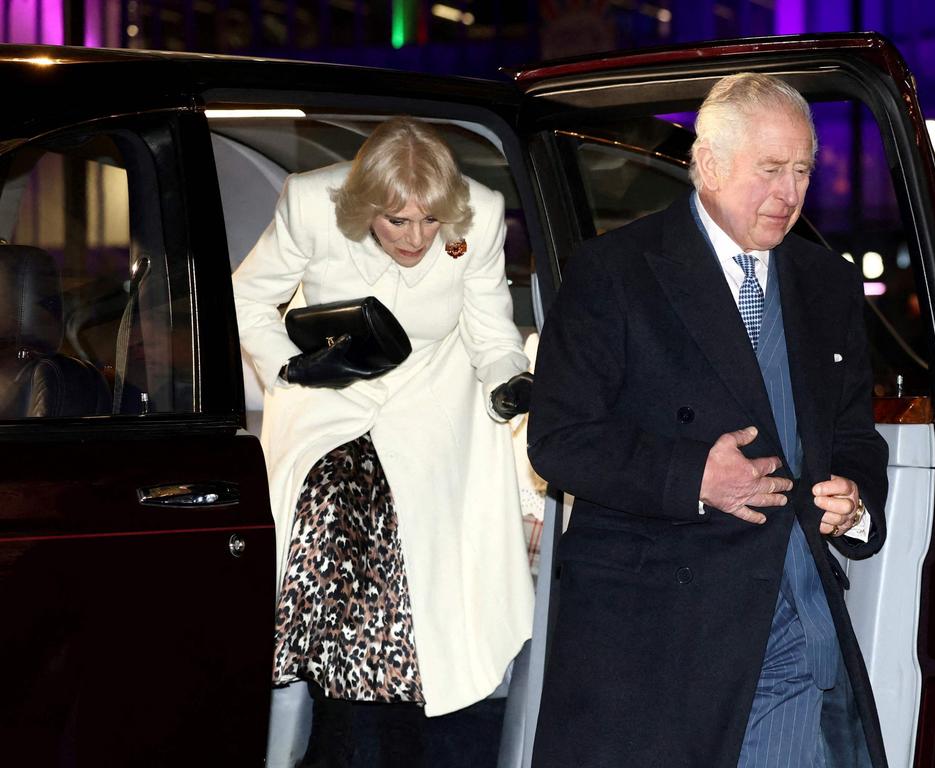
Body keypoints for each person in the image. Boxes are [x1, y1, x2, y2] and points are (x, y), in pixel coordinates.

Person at [527, 73, 890, 767]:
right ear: (710, 163)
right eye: (771, 170)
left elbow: (851, 432)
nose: (788, 194)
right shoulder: (615, 271)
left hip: (792, 618)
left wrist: (854, 495)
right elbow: (560, 438)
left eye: (803, 171)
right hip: (657, 634)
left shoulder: (827, 281)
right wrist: (693, 474)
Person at [232, 116, 534, 767]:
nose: (418, 238)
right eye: (399, 222)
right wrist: (291, 364)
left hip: (432, 408)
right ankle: (331, 708)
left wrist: (510, 382)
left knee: (427, 581)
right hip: (330, 409)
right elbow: (249, 297)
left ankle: (369, 726)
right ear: (366, 206)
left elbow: (490, 330)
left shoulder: (478, 215)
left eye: (431, 223)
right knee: (340, 506)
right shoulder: (312, 203)